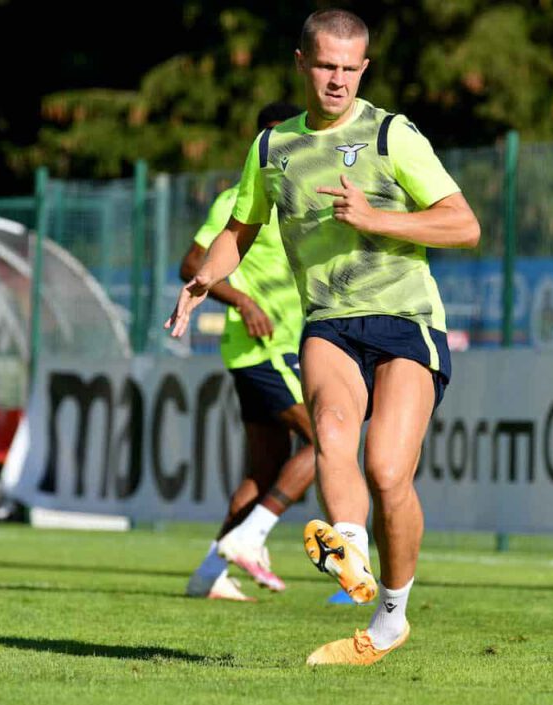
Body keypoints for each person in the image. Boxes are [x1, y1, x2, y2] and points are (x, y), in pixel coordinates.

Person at [167, 9, 479, 664]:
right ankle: (350, 553)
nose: (337, 79)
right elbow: (238, 232)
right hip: (328, 321)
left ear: (363, 68)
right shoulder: (272, 148)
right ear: (303, 64)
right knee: (331, 428)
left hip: (406, 321)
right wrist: (202, 283)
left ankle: (391, 616)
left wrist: (377, 219)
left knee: (389, 469)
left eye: (350, 67)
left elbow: (462, 224)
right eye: (326, 65)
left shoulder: (393, 135)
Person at [182, 102, 317, 603]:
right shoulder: (242, 197)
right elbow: (192, 262)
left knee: (263, 470)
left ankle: (209, 573)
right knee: (327, 442)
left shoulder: (298, 203)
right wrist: (241, 299)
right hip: (266, 348)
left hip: (265, 351)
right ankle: (252, 537)